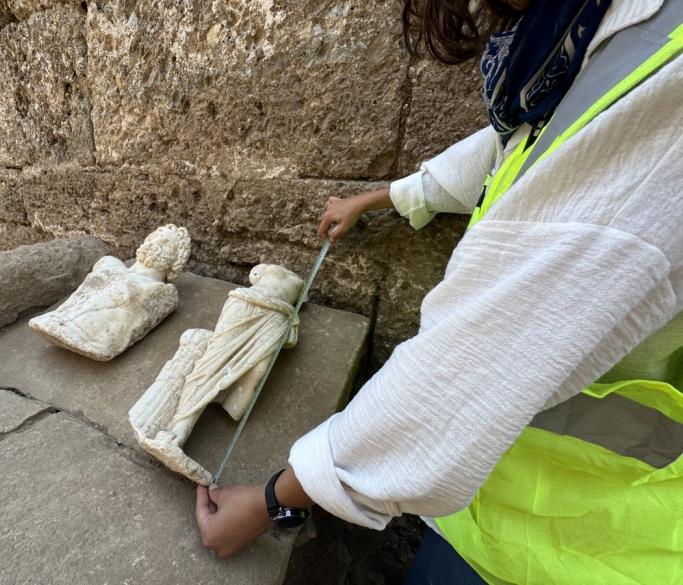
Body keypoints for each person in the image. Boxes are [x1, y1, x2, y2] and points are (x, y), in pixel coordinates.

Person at [196, 0, 683, 582]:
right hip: (502, 497)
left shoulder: (660, 69)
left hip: (595, 544)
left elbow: (466, 369)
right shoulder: (583, 44)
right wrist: (383, 198)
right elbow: (517, 146)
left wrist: (273, 500)